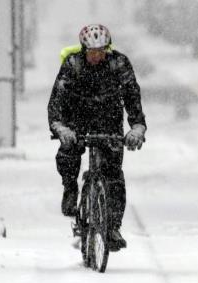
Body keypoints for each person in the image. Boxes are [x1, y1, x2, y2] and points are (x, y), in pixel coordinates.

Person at [47, 23, 146, 250]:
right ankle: (70, 188)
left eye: (101, 51)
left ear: (107, 49)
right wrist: (61, 128)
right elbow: (57, 101)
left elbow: (132, 96)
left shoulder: (119, 64)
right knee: (68, 153)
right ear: (83, 50)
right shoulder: (72, 65)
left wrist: (137, 126)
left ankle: (112, 227)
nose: (96, 56)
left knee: (114, 176)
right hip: (77, 120)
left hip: (108, 121)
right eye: (92, 52)